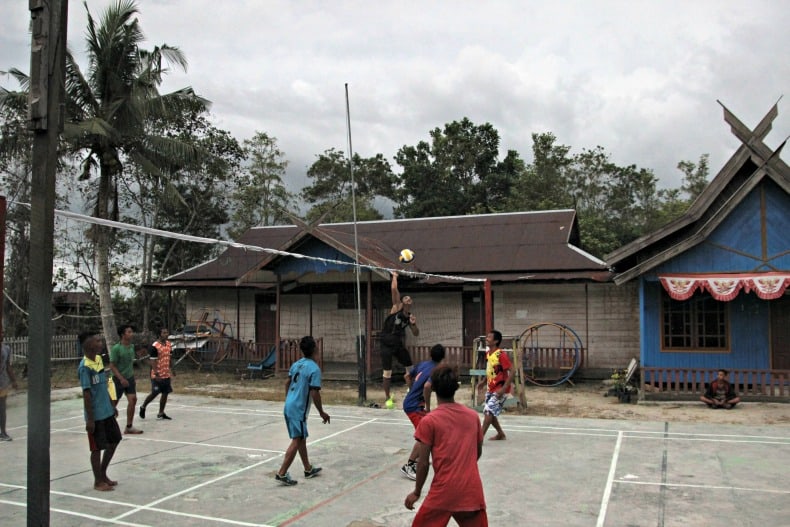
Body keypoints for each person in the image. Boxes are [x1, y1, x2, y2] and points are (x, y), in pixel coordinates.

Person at [404, 365, 487, 526]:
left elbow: (422, 463)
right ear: (457, 386)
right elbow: (477, 453)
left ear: (432, 388)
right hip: (471, 490)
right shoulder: (472, 417)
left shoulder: (429, 421)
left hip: (443, 491)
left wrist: (417, 492)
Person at [275, 336, 331, 486]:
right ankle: (282, 473)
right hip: (298, 409)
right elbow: (314, 393)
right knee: (297, 439)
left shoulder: (297, 364)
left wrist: (289, 399)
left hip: (289, 406)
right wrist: (322, 412)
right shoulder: (314, 369)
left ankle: (307, 468)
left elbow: (287, 383)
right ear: (314, 350)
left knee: (301, 438)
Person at [77, 331, 122, 491]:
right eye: (97, 341)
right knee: (96, 448)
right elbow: (87, 393)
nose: (100, 343)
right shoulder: (84, 367)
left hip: (107, 411)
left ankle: (103, 473)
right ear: (89, 345)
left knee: (115, 440)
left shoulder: (98, 360)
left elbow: (104, 385)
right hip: (95, 415)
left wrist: (111, 404)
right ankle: (97, 481)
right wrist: (90, 419)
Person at [400, 343, 446, 480]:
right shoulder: (436, 370)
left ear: (430, 354)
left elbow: (407, 376)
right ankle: (410, 465)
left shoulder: (423, 364)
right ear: (443, 357)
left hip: (411, 402)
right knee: (424, 437)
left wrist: (412, 389)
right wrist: (427, 406)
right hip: (414, 406)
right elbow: (427, 386)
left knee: (427, 434)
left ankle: (421, 458)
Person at [380, 272, 420, 407]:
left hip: (397, 342)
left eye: (410, 298)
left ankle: (412, 390)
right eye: (406, 298)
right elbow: (393, 290)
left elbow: (416, 333)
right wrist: (395, 277)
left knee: (410, 366)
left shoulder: (410, 316)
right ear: (402, 301)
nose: (408, 299)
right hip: (386, 341)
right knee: (387, 371)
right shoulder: (396, 307)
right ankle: (387, 398)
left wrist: (414, 325)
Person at [476, 330, 513, 441]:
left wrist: (504, 388)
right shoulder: (488, 353)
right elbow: (490, 370)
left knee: (488, 411)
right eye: (487, 336)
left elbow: (512, 371)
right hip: (491, 388)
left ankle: (479, 438)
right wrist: (483, 381)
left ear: (496, 341)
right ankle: (500, 434)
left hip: (500, 389)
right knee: (490, 413)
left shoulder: (501, 355)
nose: (487, 338)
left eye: (489, 337)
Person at [109, 324, 143, 434]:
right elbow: (112, 366)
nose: (131, 334)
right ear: (123, 335)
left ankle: (129, 426)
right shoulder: (116, 348)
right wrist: (121, 379)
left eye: (131, 331)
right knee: (112, 404)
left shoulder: (132, 347)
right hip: (117, 379)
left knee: (133, 400)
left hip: (130, 378)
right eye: (129, 332)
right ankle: (107, 426)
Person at [139, 327, 174, 420]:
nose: (166, 334)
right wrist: (156, 373)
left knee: (165, 393)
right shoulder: (155, 346)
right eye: (164, 333)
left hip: (166, 373)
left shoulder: (169, 344)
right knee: (155, 392)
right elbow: (153, 361)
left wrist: (172, 369)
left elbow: (170, 357)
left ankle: (161, 412)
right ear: (160, 334)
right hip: (157, 374)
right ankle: (143, 406)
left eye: (167, 332)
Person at [0, 336, 19, 441]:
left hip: (2, 382)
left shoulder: (6, 348)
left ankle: (3, 432)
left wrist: (13, 380)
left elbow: (8, 366)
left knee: (2, 408)